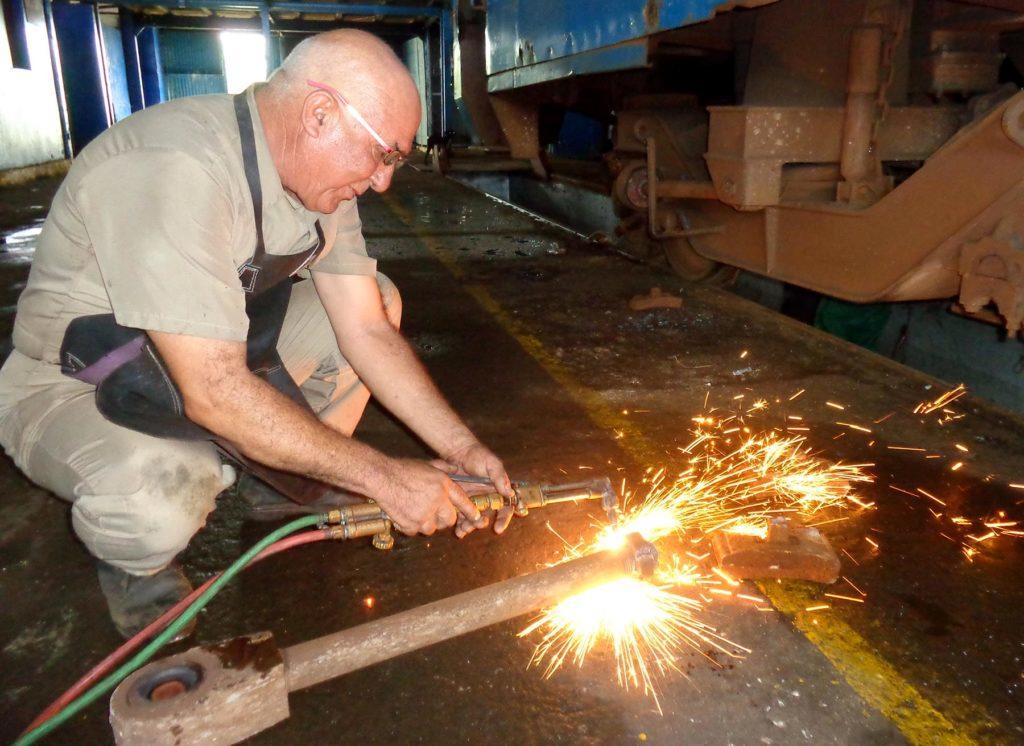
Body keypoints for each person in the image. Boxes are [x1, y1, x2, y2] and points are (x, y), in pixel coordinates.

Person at [0, 29, 513, 638]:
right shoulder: (176, 167)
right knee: (164, 494)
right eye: (384, 155)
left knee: (376, 300)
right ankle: (135, 563)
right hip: (77, 380)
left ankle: (292, 477)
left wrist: (461, 447)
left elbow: (366, 330)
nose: (383, 182)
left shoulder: (320, 184)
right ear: (319, 114)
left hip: (204, 352)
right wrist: (384, 478)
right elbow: (214, 391)